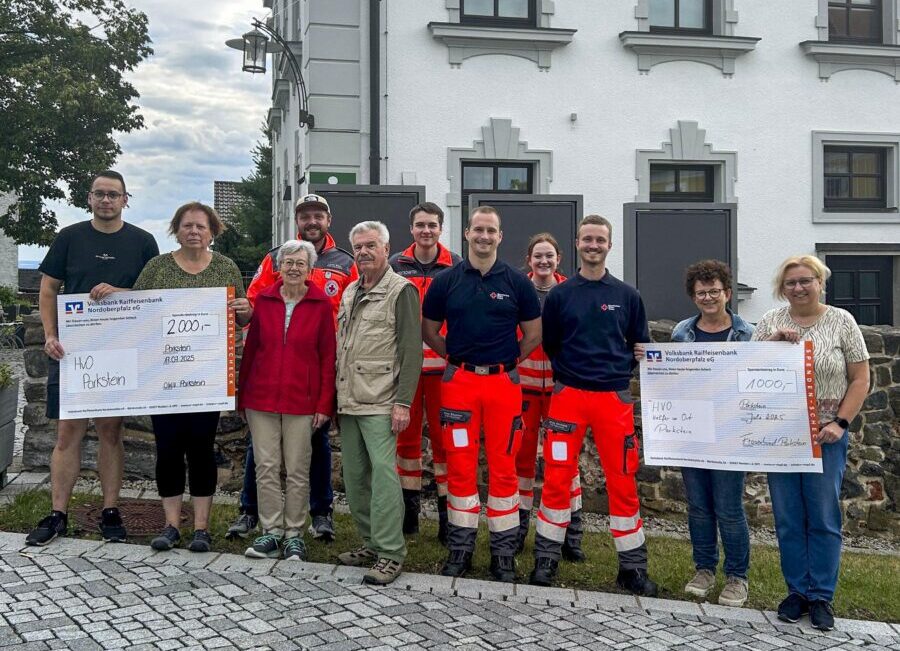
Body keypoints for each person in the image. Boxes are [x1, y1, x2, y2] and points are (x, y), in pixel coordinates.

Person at [26, 171, 159, 547]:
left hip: (119, 351)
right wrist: (50, 335)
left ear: (125, 200)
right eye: (99, 194)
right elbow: (49, 289)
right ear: (89, 198)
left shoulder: (142, 241)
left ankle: (111, 510)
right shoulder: (69, 237)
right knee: (67, 433)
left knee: (110, 431)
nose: (106, 200)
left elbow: (153, 295)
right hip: (72, 350)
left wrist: (121, 291)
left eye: (113, 195)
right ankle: (58, 514)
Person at [530, 214, 657, 596]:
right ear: (578, 243)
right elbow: (550, 343)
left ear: (609, 246)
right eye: (587, 239)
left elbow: (640, 344)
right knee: (555, 478)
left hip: (613, 399)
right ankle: (547, 559)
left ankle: (632, 568)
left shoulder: (627, 296)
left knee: (622, 481)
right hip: (567, 396)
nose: (593, 245)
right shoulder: (560, 295)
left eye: (600, 240)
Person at [227, 193, 357, 542]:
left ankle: (321, 513)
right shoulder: (276, 257)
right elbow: (255, 304)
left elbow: (357, 303)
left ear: (328, 220)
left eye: (318, 215)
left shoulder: (346, 262)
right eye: (305, 217)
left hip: (321, 362)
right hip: (273, 373)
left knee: (317, 449)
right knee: (262, 452)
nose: (311, 222)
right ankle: (250, 512)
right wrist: (240, 309)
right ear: (296, 221)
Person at [422, 206, 541, 582]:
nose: (484, 236)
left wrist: (507, 361)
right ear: (467, 234)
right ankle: (460, 550)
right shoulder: (447, 280)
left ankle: (503, 555)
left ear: (500, 236)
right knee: (459, 467)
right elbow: (429, 330)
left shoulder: (516, 282)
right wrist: (454, 359)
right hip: (459, 384)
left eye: (491, 231)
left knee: (504, 469)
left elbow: (534, 334)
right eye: (478, 230)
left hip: (503, 384)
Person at [753, 255, 869, 631]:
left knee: (822, 515)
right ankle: (796, 592)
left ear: (820, 282)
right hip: (780, 433)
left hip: (826, 433)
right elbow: (748, 369)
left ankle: (821, 595)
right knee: (787, 517)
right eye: (791, 283)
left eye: (806, 281)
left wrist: (841, 422)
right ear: (781, 288)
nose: (799, 288)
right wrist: (771, 344)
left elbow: (860, 379)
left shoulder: (841, 321)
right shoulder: (771, 320)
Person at [134, 202, 251, 553]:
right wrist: (111, 294)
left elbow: (242, 318)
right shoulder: (157, 268)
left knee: (201, 451)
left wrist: (246, 310)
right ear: (176, 229)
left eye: (201, 226)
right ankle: (170, 525)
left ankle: (201, 528)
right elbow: (134, 311)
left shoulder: (227, 268)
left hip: (208, 377)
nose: (194, 232)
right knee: (168, 450)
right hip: (164, 376)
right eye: (187, 226)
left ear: (212, 231)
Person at [641, 260, 754, 606]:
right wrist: (650, 361)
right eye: (701, 292)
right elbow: (675, 381)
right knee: (699, 507)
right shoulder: (682, 333)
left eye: (714, 291)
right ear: (693, 296)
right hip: (692, 433)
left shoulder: (747, 334)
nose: (708, 297)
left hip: (730, 434)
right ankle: (704, 568)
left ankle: (737, 577)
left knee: (729, 508)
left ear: (728, 293)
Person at [335, 221, 422, 585]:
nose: (363, 252)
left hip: (382, 401)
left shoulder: (400, 290)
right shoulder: (351, 290)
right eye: (358, 247)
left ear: (387, 249)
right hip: (349, 400)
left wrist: (403, 402)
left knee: (385, 478)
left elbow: (410, 350)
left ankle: (390, 552)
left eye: (371, 245)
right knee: (355, 478)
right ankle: (371, 542)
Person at [238, 239, 336, 561]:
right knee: (265, 466)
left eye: (300, 263)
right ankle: (271, 531)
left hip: (302, 400)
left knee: (297, 468)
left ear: (310, 269)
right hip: (261, 397)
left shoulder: (321, 305)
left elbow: (327, 358)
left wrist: (324, 404)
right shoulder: (264, 300)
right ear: (279, 267)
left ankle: (294, 533)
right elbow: (251, 350)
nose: (294, 268)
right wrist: (242, 396)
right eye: (288, 262)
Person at [389, 202, 461, 539]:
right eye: (420, 225)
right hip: (407, 370)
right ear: (412, 229)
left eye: (432, 225)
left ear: (440, 228)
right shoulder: (395, 265)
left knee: (447, 445)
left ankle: (449, 519)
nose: (426, 231)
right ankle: (408, 516)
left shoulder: (457, 266)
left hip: (446, 372)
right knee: (406, 443)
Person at [514, 233, 584, 562]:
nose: (544, 261)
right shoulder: (517, 288)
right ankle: (516, 529)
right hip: (524, 388)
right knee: (521, 460)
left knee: (565, 461)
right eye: (538, 256)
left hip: (560, 388)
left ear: (558, 260)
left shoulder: (572, 291)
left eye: (550, 256)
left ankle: (572, 533)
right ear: (529, 260)